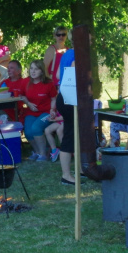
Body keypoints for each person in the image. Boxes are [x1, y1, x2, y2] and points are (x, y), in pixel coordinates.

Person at [20, 60, 58, 161]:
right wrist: (28, 103)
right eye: (31, 68)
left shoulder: (48, 83)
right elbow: (22, 95)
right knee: (28, 132)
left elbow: (54, 99)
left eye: (36, 69)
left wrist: (52, 110)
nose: (33, 71)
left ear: (42, 71)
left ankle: (43, 154)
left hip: (46, 112)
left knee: (36, 128)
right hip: (31, 112)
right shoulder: (25, 81)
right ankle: (37, 152)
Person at [55, 46, 77, 184]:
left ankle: (81, 170)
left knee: (76, 135)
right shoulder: (77, 55)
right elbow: (75, 75)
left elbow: (58, 75)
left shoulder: (67, 54)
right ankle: (66, 175)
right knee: (70, 135)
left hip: (63, 96)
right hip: (69, 98)